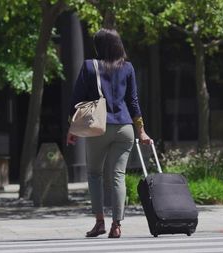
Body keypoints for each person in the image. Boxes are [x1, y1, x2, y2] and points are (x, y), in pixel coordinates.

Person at [66, 28, 151, 239]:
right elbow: (133, 102)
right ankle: (117, 225)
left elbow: (76, 100)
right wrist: (141, 131)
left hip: (98, 128)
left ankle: (99, 222)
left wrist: (72, 128)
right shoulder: (128, 68)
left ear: (99, 46)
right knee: (118, 176)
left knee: (95, 174)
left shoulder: (89, 66)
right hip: (125, 129)